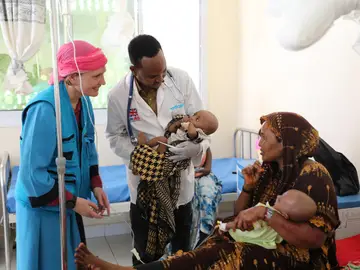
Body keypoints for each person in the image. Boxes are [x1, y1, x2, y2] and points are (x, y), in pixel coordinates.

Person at [76, 112, 340, 270]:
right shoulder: (269, 170)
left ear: (286, 143)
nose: (258, 142)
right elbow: (241, 214)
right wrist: (248, 188)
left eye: (265, 137)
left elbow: (314, 240)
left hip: (303, 258)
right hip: (266, 244)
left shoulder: (314, 175)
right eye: (258, 135)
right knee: (209, 246)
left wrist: (267, 215)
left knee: (227, 254)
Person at [105, 34, 210, 265]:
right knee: (146, 254)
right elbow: (114, 136)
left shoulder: (181, 80)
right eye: (153, 75)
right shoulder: (118, 96)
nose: (161, 79)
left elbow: (203, 121)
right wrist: (140, 153)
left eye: (163, 72)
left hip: (181, 185)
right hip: (145, 185)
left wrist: (196, 146)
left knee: (183, 254)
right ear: (134, 69)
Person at [15, 40, 111, 270]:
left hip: (69, 203)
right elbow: (31, 175)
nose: (103, 82)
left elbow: (88, 148)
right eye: (96, 76)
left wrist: (96, 185)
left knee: (72, 261)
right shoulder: (44, 110)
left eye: (103, 74)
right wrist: (73, 202)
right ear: (71, 77)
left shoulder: (84, 103)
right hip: (43, 208)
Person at [225, 189, 317, 249]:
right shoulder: (280, 230)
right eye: (281, 195)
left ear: (285, 215)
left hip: (239, 236)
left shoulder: (266, 214)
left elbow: (246, 225)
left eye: (280, 200)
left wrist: (226, 226)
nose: (277, 196)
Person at [190, 147, 222, 249]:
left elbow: (207, 169)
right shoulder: (178, 139)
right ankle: (191, 240)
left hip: (203, 174)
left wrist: (199, 173)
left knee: (206, 192)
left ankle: (205, 231)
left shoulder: (204, 144)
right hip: (186, 174)